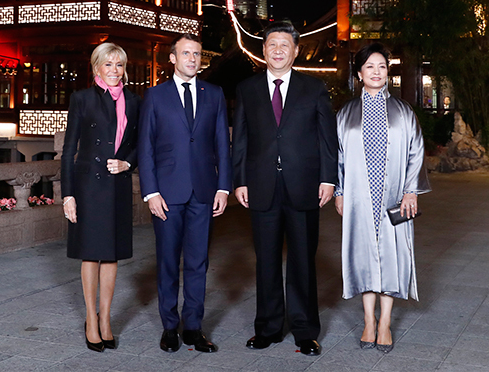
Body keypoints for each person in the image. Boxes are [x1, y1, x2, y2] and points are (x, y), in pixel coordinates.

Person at [232, 21, 338, 356]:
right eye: (272, 45)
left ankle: (305, 330)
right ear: (263, 50)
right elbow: (241, 138)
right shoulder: (247, 88)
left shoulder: (314, 88)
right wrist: (240, 180)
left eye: (284, 45)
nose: (278, 51)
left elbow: (327, 139)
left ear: (295, 51)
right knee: (265, 260)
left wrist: (328, 179)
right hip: (261, 185)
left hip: (304, 185)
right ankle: (267, 328)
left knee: (303, 260)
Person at [137, 33, 231, 354]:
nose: (192, 59)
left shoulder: (214, 94)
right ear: (173, 58)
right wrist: (150, 192)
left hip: (204, 191)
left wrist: (223, 186)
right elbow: (145, 147)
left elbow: (222, 144)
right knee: (167, 261)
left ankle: (193, 327)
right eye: (186, 53)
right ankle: (169, 326)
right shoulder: (155, 96)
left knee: (197, 262)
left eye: (197, 54)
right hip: (166, 193)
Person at [334, 42, 431, 353]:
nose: (376, 72)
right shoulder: (346, 113)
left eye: (382, 67)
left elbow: (416, 152)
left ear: (388, 72)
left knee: (392, 256)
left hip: (394, 196)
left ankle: (385, 322)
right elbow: (338, 156)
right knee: (362, 255)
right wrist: (340, 190)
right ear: (359, 73)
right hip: (359, 196)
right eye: (369, 67)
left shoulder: (403, 112)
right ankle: (368, 321)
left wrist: (411, 190)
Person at [61, 42, 141, 353]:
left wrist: (127, 163)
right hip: (88, 186)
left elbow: (139, 144)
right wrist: (68, 194)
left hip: (117, 184)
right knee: (90, 253)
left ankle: (105, 318)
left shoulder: (134, 101)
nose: (114, 70)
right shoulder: (82, 98)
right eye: (108, 64)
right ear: (97, 67)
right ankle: (90, 319)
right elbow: (69, 149)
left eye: (119, 64)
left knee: (111, 254)